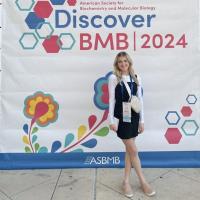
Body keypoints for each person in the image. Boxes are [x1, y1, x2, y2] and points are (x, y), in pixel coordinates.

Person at [108, 51, 156, 198]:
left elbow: (140, 100)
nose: (123, 64)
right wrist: (111, 121)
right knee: (133, 151)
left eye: (125, 61)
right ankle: (143, 181)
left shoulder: (136, 78)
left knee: (129, 152)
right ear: (117, 64)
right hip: (122, 119)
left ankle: (126, 182)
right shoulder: (113, 78)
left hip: (134, 117)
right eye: (120, 61)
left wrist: (142, 121)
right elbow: (111, 100)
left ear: (129, 62)